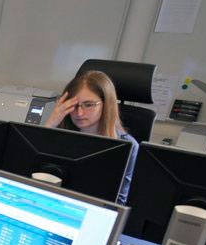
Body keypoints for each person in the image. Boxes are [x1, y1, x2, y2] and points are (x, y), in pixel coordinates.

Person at [43, 69, 139, 204]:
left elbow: (119, 201)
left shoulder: (127, 146)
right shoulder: (61, 135)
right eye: (74, 106)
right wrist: (50, 124)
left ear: (106, 105)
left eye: (89, 105)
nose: (80, 113)